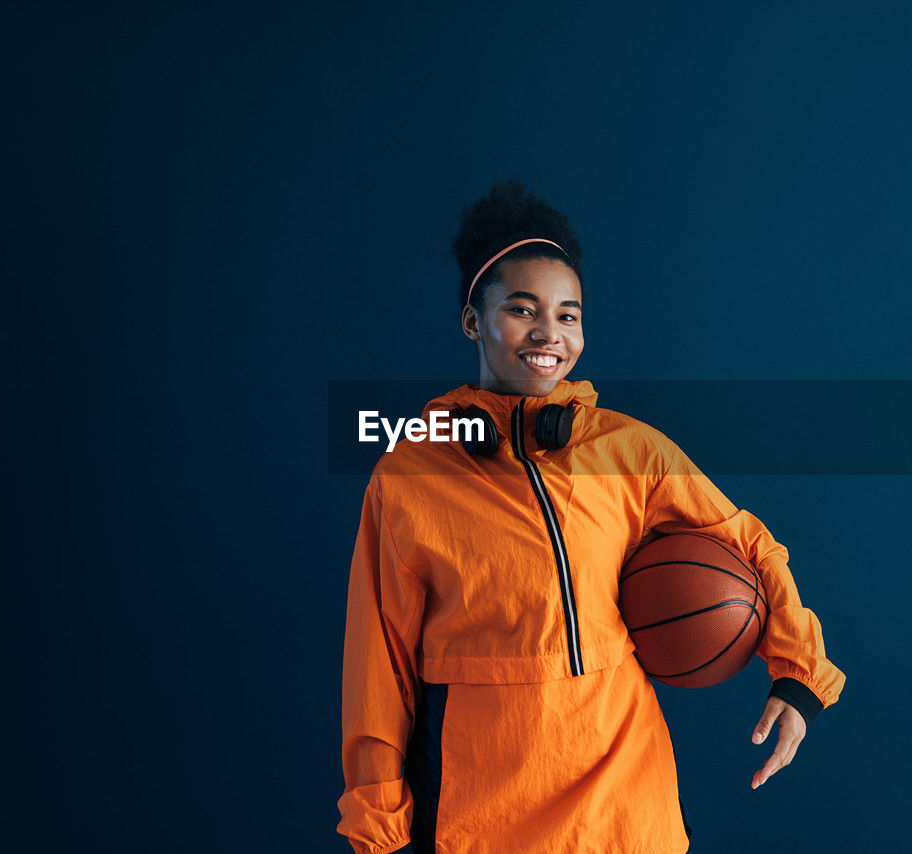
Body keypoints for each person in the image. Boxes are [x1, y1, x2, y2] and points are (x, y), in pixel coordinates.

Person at [337, 180, 846, 853]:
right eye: (522, 310)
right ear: (472, 319)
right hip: (483, 815)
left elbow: (746, 541)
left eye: (569, 315)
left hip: (625, 806)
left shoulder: (628, 449)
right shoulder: (410, 477)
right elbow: (379, 669)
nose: (549, 333)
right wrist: (379, 824)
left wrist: (798, 671)